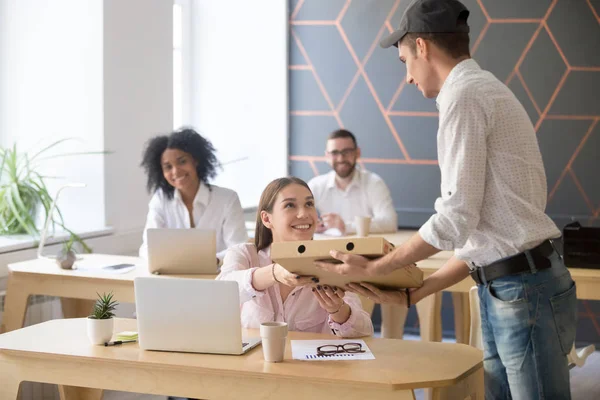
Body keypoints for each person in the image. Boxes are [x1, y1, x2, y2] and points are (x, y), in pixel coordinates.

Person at [316, 1, 577, 399]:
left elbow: (454, 219)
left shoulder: (464, 96)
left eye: (404, 60)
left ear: (422, 47)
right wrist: (418, 289)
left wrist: (379, 267)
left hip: (522, 291)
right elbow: (487, 237)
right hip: (511, 285)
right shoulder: (480, 89)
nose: (406, 77)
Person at [217, 177, 373, 337]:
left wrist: (338, 310)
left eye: (309, 204)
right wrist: (274, 273)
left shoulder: (334, 260)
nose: (303, 213)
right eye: (290, 205)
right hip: (253, 361)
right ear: (266, 218)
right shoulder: (244, 254)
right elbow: (219, 295)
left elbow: (365, 330)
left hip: (313, 362)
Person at [139, 128, 248, 262]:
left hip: (219, 276)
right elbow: (147, 248)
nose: (176, 171)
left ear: (196, 161)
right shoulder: (160, 200)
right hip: (173, 278)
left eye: (182, 161)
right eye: (168, 167)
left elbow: (239, 248)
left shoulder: (227, 199)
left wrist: (213, 260)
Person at [308, 129, 397, 235]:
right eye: (335, 153)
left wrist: (345, 226)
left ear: (357, 153)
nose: (341, 158)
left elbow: (390, 223)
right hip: (326, 250)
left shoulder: (374, 183)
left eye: (347, 152)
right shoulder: (316, 185)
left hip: (365, 250)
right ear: (327, 156)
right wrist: (311, 226)